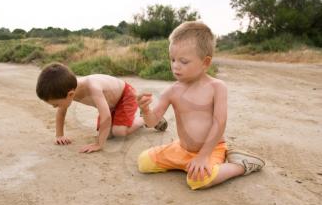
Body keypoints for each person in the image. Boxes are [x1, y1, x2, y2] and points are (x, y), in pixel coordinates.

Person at [137, 21, 265, 190]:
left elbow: (219, 123)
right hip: (182, 149)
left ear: (205, 63)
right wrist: (145, 110)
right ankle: (187, 162)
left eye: (183, 61)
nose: (175, 66)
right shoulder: (172, 91)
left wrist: (204, 156)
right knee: (144, 162)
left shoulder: (216, 87)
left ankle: (240, 164)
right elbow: (152, 122)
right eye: (173, 59)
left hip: (211, 149)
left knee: (198, 180)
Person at [36, 63, 168, 153]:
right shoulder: (67, 89)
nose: (55, 107)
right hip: (110, 104)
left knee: (119, 132)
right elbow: (61, 112)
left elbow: (106, 116)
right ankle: (131, 120)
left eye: (56, 104)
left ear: (70, 94)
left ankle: (144, 118)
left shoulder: (92, 87)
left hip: (126, 95)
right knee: (108, 134)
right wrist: (59, 135)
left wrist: (99, 144)